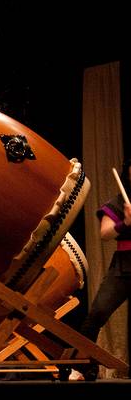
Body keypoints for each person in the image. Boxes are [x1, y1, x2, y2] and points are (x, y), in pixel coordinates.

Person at [73, 158, 131, 380]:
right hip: (124, 266)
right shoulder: (118, 202)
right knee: (97, 313)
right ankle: (83, 366)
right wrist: (125, 223)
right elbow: (105, 233)